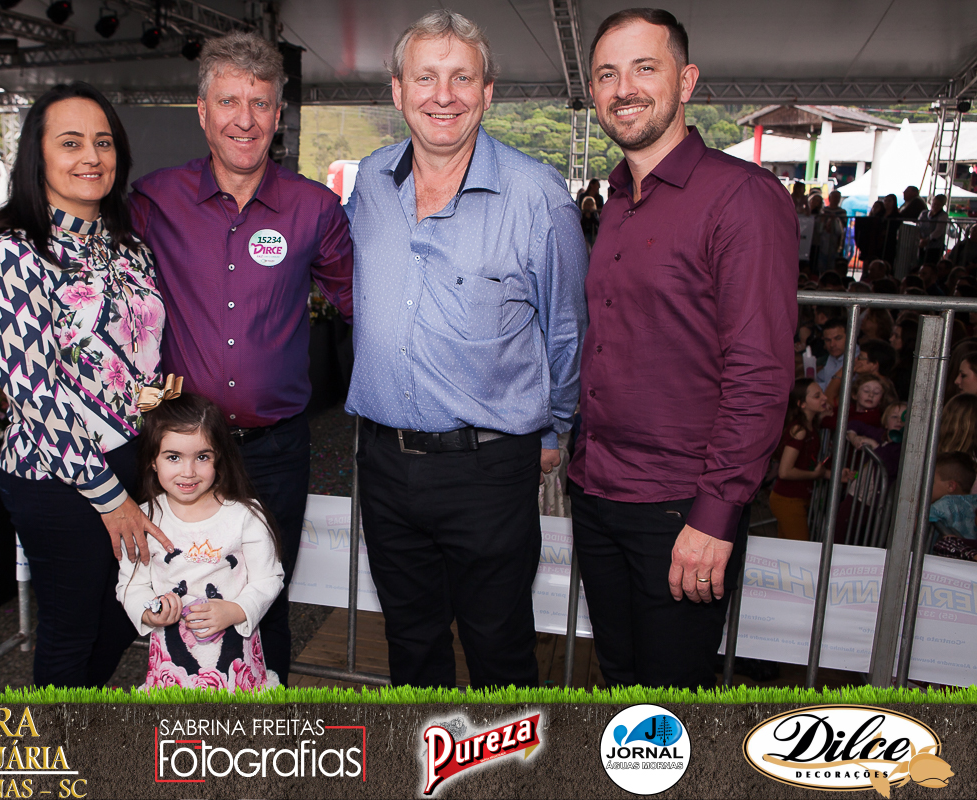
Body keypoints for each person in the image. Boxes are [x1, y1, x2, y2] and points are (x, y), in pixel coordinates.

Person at [0, 32, 354, 685]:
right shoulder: (153, 202)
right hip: (154, 457)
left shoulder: (311, 209)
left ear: (279, 114)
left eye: (260, 103)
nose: (244, 118)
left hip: (265, 454)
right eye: (228, 100)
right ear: (201, 112)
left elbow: (359, 304)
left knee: (259, 602)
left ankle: (259, 741)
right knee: (120, 612)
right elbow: (35, 379)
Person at [345, 9, 586, 689]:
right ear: (398, 91)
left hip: (489, 469)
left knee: (499, 649)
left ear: (487, 93)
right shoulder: (368, 182)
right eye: (426, 77)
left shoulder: (538, 196)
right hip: (385, 464)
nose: (442, 95)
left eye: (461, 78)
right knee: (410, 646)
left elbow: (566, 329)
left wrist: (556, 429)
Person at [565, 8, 797, 690]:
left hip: (680, 507)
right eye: (607, 74)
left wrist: (716, 513)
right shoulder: (616, 196)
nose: (623, 88)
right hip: (599, 490)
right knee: (620, 682)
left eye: (645, 68)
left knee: (671, 701)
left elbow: (759, 373)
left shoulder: (742, 198)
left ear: (686, 80)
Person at [0, 82, 174, 688]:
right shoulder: (13, 253)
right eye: (71, 143)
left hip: (131, 456)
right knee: (72, 629)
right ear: (38, 158)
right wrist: (109, 496)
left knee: (124, 615)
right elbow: (34, 393)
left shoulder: (129, 249)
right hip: (57, 475)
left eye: (103, 142)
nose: (91, 156)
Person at [117, 389, 284, 691]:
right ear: (153, 461)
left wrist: (235, 610)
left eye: (202, 456)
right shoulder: (143, 520)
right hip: (171, 672)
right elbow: (132, 585)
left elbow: (269, 578)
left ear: (219, 457)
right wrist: (148, 611)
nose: (188, 471)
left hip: (238, 674)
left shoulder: (245, 516)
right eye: (173, 457)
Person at [769, 379, 829, 541]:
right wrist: (815, 475)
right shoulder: (799, 430)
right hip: (787, 500)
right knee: (800, 550)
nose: (824, 398)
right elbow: (785, 471)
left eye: (822, 393)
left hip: (795, 499)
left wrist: (827, 474)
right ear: (802, 404)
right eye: (817, 396)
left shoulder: (810, 427)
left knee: (788, 551)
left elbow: (805, 463)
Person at [919, 194, 949, 266]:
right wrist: (920, 238)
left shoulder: (943, 215)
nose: (935, 206)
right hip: (921, 243)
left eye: (938, 205)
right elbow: (918, 226)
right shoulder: (924, 213)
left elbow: (938, 231)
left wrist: (927, 239)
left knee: (931, 264)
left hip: (935, 246)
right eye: (934, 204)